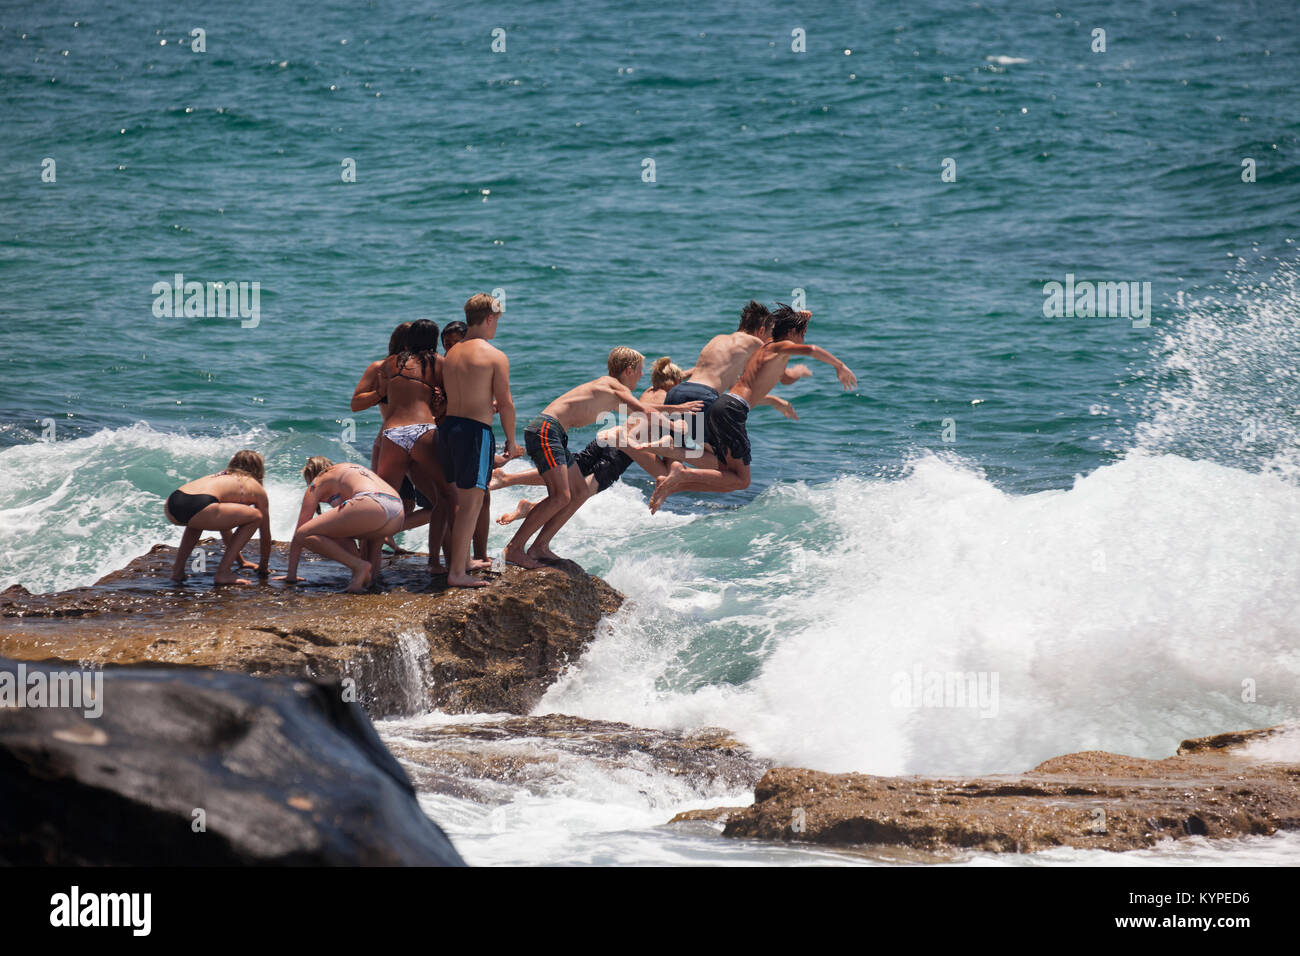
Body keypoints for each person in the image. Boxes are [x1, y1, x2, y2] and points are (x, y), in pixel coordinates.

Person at [649, 305, 858, 513]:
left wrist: (802, 322)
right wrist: (839, 366)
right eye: (803, 333)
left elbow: (785, 378)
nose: (804, 338)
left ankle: (674, 481)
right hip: (732, 409)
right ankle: (682, 474)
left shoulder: (767, 351)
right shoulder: (777, 347)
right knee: (741, 480)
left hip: (722, 405)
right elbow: (811, 350)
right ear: (792, 334)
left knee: (727, 475)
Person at [503, 348, 688, 568]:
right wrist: (676, 425)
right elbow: (644, 411)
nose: (641, 377)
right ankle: (514, 549)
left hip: (553, 433)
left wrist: (675, 407)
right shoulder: (614, 385)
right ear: (629, 370)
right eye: (639, 371)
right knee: (561, 496)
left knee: (579, 491)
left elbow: (643, 408)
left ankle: (539, 547)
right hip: (546, 431)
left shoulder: (609, 390)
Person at [492, 356, 692, 517]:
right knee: (579, 493)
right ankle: (531, 508)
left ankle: (508, 478)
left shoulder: (650, 392)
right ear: (676, 382)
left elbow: (647, 409)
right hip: (619, 453)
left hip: (608, 440)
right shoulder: (668, 396)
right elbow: (651, 419)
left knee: (571, 471)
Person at [439, 293, 520, 587]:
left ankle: (463, 562)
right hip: (474, 432)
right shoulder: (494, 355)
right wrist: (511, 441)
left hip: (449, 429)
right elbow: (506, 403)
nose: (496, 326)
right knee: (471, 504)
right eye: (496, 320)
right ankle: (456, 574)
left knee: (462, 501)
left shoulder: (452, 353)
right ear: (489, 319)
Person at [373, 318, 454, 570]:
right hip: (422, 432)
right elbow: (452, 399)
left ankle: (369, 568)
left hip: (392, 434)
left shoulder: (390, 364)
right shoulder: (437, 363)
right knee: (447, 498)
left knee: (384, 502)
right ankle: (444, 563)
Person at [350, 321, 431, 554]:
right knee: (386, 501)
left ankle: (384, 537)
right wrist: (380, 392)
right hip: (389, 441)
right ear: (406, 342)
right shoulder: (381, 368)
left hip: (417, 440)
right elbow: (355, 404)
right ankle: (370, 538)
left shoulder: (423, 368)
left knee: (407, 503)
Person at [277, 457, 405, 593]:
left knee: (304, 533)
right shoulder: (348, 469)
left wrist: (291, 576)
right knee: (371, 541)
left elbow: (300, 532)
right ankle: (368, 579)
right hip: (397, 511)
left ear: (310, 475)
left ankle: (359, 566)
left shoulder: (318, 481)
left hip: (371, 502)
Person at [164, 449, 271, 585]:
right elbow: (265, 534)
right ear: (258, 470)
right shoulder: (255, 486)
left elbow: (224, 524)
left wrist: (241, 562)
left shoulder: (219, 476)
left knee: (197, 522)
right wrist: (263, 567)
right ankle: (223, 573)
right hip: (200, 506)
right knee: (256, 516)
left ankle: (177, 572)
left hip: (172, 504)